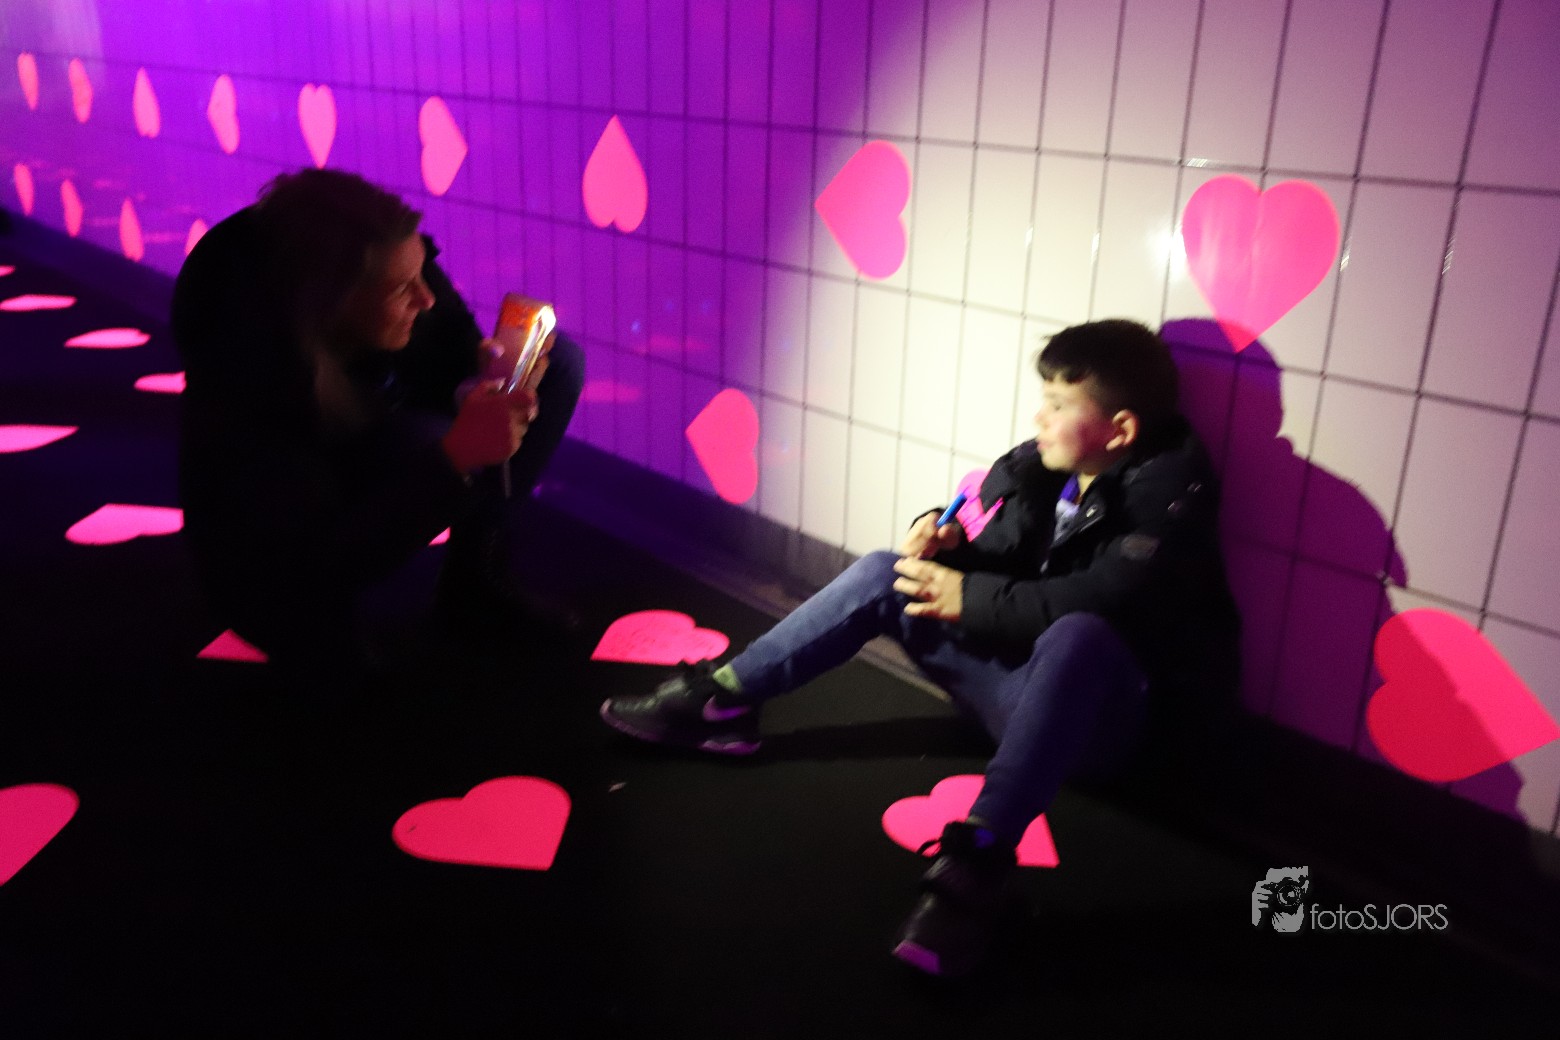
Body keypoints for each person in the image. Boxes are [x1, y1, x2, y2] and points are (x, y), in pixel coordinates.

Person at [600, 318, 1240, 977]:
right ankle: (724, 701)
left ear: (1121, 429)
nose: (1038, 417)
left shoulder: (1170, 497)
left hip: (1101, 730)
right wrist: (947, 545)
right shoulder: (1049, 467)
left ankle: (975, 865)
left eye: (1056, 404)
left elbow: (1103, 602)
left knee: (1080, 635)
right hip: (1018, 689)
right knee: (887, 571)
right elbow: (1001, 558)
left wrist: (970, 595)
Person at [171, 168, 584, 682]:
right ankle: (322, 638)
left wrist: (481, 367)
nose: (425, 298)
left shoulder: (381, 257)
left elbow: (447, 331)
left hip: (356, 439)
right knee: (426, 444)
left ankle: (473, 583)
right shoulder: (252, 369)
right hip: (273, 572)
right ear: (331, 301)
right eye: (402, 289)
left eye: (423, 271)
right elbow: (304, 556)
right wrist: (455, 458)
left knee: (558, 365)